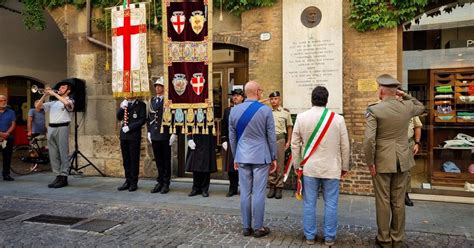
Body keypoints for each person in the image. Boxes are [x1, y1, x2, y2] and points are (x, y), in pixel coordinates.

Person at [363, 74, 425, 248]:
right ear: (395, 90)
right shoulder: (406, 107)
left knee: (383, 200)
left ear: (381, 90)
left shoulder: (374, 110)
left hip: (382, 161)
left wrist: (370, 162)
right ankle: (397, 239)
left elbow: (369, 140)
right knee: (398, 201)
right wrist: (404, 95)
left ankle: (384, 239)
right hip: (403, 160)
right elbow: (421, 106)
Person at [291, 86, 350, 246]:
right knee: (331, 203)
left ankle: (310, 236)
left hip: (310, 168)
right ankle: (329, 237)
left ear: (312, 99)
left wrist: (297, 165)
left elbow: (294, 144)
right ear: (327, 99)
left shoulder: (302, 118)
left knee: (309, 203)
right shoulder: (338, 119)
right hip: (332, 168)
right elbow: (345, 145)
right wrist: (344, 166)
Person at [229, 80, 277, 238]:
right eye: (261, 91)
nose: (262, 93)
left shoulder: (234, 111)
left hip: (242, 156)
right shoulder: (265, 111)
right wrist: (274, 156)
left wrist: (235, 156)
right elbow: (271, 136)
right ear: (257, 92)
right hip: (261, 157)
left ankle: (246, 227)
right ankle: (258, 227)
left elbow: (232, 138)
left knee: (245, 192)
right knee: (258, 193)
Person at [36, 82, 75, 188]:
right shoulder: (54, 103)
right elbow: (37, 107)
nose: (60, 89)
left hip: (62, 127)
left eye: (63, 87)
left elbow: (67, 104)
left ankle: (64, 177)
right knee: (53, 153)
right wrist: (45, 94)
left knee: (63, 152)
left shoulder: (70, 100)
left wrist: (55, 94)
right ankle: (57, 175)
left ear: (68, 91)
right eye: (60, 88)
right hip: (51, 128)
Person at [148, 77, 176, 194]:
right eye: (156, 86)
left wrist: (174, 132)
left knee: (166, 160)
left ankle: (166, 183)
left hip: (165, 134)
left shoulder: (169, 101)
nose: (157, 88)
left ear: (164, 88)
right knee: (158, 160)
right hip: (155, 135)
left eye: (160, 86)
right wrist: (149, 131)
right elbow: (149, 117)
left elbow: (175, 117)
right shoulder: (152, 101)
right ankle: (159, 181)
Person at [116, 97, 147, 192]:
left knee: (134, 159)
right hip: (124, 136)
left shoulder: (141, 105)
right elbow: (118, 117)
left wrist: (130, 127)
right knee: (126, 160)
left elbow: (142, 120)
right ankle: (127, 180)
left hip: (134, 135)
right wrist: (121, 108)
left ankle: (134, 182)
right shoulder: (125, 104)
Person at [267, 91, 293, 199]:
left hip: (280, 139)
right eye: (272, 99)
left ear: (279, 99)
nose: (273, 101)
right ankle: (272, 186)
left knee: (280, 164)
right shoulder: (267, 112)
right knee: (270, 164)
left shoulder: (285, 113)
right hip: (269, 140)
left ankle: (279, 187)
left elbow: (289, 127)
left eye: (275, 99)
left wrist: (289, 141)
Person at [221, 88, 245, 197]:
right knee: (231, 166)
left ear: (243, 97)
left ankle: (245, 188)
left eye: (238, 95)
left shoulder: (246, 109)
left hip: (244, 141)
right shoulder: (227, 111)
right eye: (234, 95)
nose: (235, 97)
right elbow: (224, 126)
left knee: (244, 165)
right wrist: (224, 140)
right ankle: (232, 188)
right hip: (231, 141)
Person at [186, 131, 217, 197]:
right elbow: (188, 124)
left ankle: (204, 189)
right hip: (195, 137)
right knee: (195, 164)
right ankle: (195, 188)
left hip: (207, 137)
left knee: (206, 164)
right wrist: (189, 138)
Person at [405, 116, 422, 207]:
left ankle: (405, 194)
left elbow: (417, 126)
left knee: (406, 170)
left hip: (408, 144)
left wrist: (417, 143)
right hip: (392, 144)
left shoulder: (411, 110)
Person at [0, 95, 16, 181]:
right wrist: (0, 134)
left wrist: (7, 133)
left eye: (5, 100)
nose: (3, 102)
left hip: (8, 137)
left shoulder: (11, 112)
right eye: (1, 100)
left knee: (7, 157)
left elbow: (13, 124)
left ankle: (6, 174)